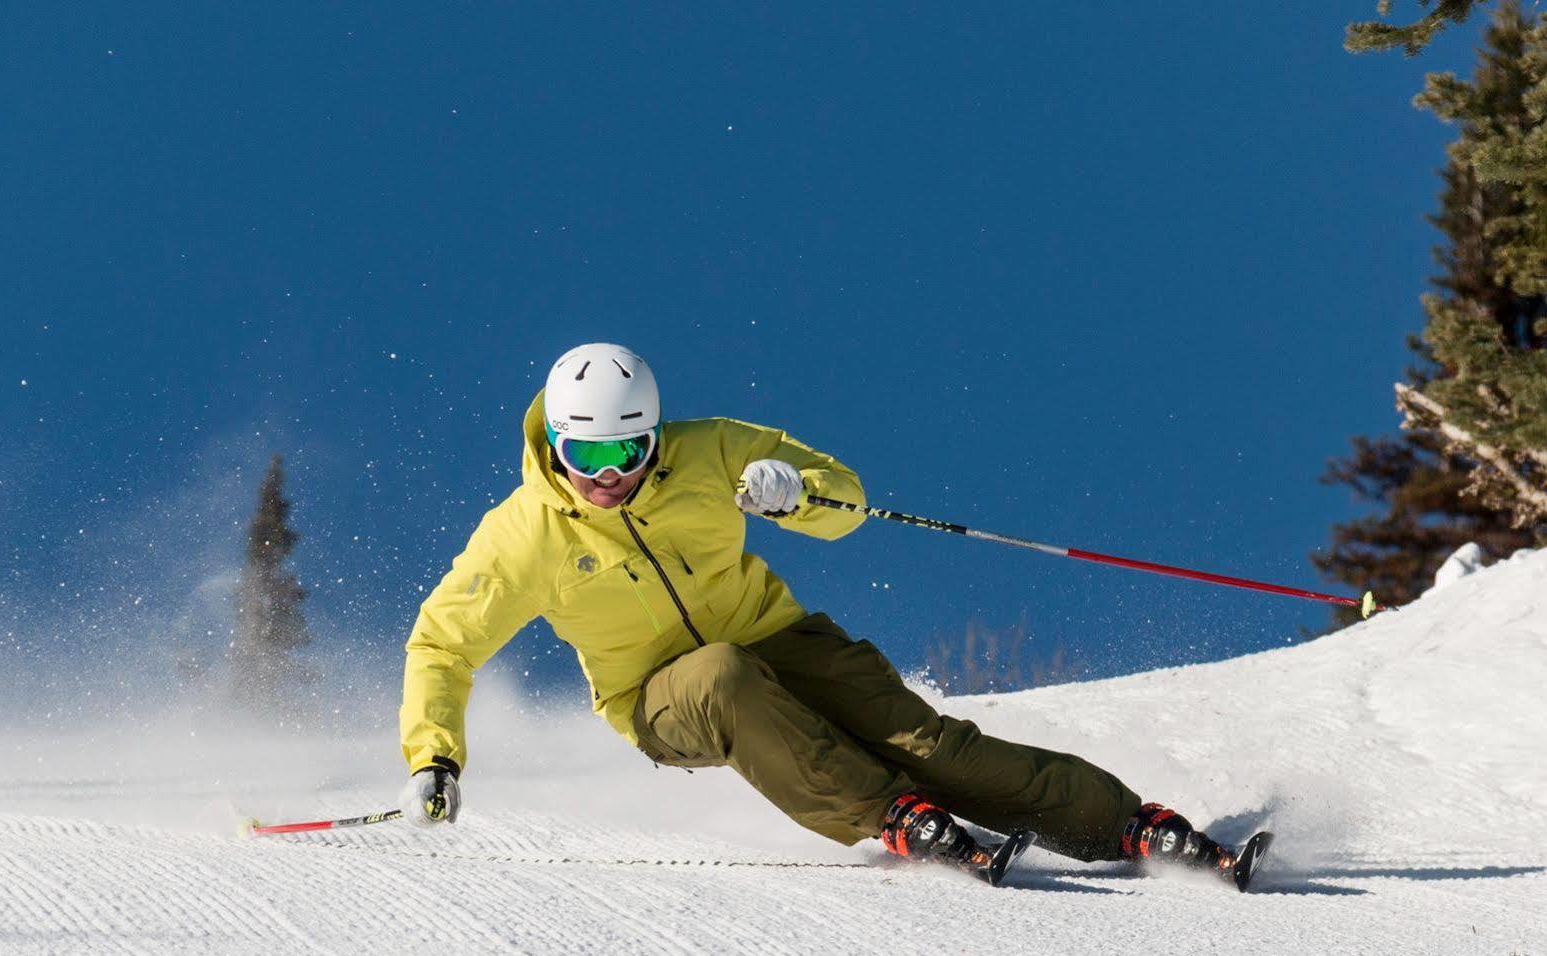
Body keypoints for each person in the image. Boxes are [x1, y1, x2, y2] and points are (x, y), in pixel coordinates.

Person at [397, 342, 1262, 885]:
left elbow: (845, 501)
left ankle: (1127, 823)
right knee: (725, 678)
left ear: (655, 434)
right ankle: (890, 815)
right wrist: (433, 756)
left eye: (626, 448)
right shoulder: (522, 537)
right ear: (553, 443)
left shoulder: (712, 450)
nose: (607, 473)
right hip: (659, 697)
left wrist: (795, 496)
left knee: (930, 746)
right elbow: (443, 642)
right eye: (584, 452)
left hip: (779, 635)